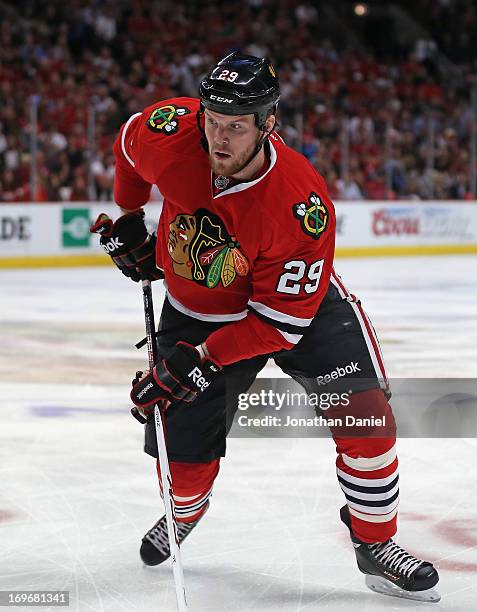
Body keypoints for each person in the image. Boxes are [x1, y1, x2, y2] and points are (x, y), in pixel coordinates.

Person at [92, 52, 439, 602]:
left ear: (267, 124)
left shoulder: (300, 202)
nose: (219, 139)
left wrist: (199, 359)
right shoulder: (170, 132)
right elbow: (128, 147)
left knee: (367, 419)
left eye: (236, 127)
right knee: (182, 469)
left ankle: (375, 541)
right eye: (212, 121)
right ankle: (185, 512)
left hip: (293, 309)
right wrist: (131, 217)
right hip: (196, 309)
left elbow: (278, 327)